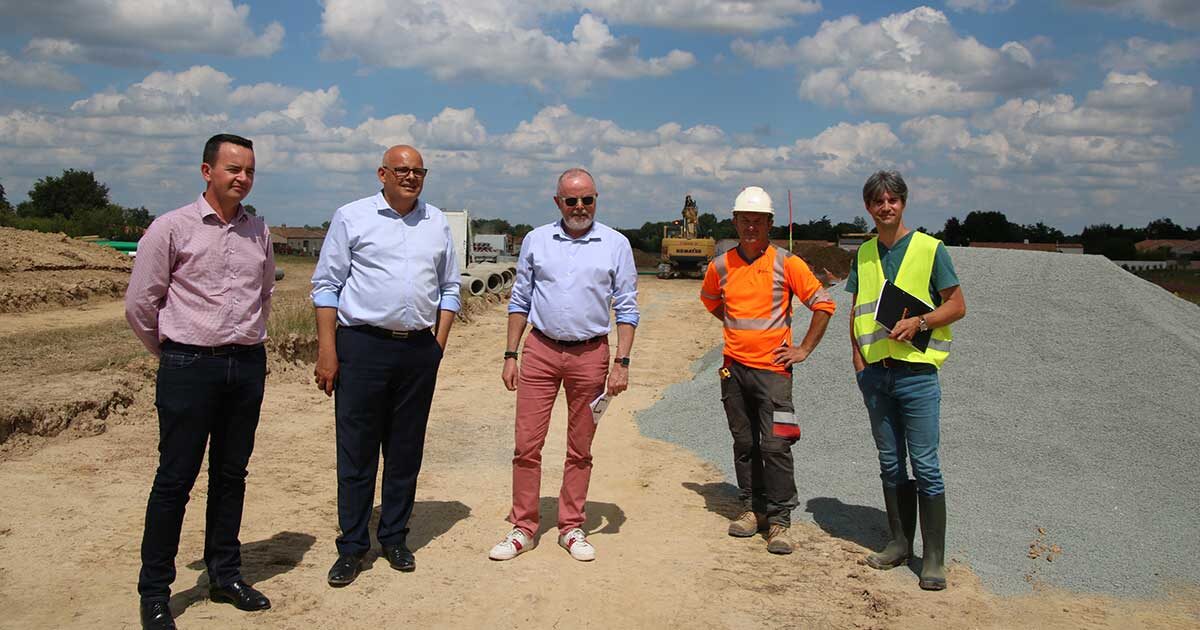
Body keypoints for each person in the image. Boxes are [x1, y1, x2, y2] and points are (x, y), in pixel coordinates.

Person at [125, 133, 274, 630]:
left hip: (246, 365)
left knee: (232, 476)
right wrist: (173, 352)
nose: (243, 178)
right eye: (233, 168)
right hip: (189, 366)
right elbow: (141, 305)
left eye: (250, 170)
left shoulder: (260, 232)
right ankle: (155, 592)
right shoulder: (171, 228)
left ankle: (225, 575)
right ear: (207, 171)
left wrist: (248, 345)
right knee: (174, 480)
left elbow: (263, 296)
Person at [311, 145, 460, 587]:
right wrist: (327, 349)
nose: (411, 177)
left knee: (404, 451)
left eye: (418, 171)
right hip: (362, 346)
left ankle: (394, 536)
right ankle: (353, 546)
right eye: (402, 170)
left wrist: (438, 345)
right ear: (382, 173)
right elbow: (326, 284)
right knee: (356, 451)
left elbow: (451, 286)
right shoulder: (352, 217)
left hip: (417, 350)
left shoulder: (436, 223)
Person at [488, 168, 638, 563]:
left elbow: (627, 306)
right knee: (526, 445)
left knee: (580, 447)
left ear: (596, 200)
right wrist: (510, 355)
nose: (579, 207)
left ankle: (571, 527)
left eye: (587, 199)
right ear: (558, 202)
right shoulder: (537, 241)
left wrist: (621, 361)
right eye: (571, 200)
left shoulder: (615, 244)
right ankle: (523, 527)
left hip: (591, 356)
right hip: (540, 351)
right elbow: (519, 299)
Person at [699, 186, 835, 554]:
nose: (751, 227)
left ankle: (779, 519)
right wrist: (737, 329)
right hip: (734, 370)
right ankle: (751, 509)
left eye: (758, 221)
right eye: (745, 220)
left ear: (770, 223)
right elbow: (712, 301)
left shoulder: (787, 263)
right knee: (744, 443)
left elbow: (823, 303)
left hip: (775, 375)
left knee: (775, 446)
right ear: (735, 221)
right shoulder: (721, 265)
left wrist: (803, 348)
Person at [848, 170, 966, 590]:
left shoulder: (931, 250)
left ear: (903, 203)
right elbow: (857, 309)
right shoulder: (862, 254)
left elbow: (957, 305)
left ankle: (933, 559)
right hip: (876, 375)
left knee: (926, 466)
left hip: (917, 377)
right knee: (891, 463)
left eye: (892, 200)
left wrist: (920, 321)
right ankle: (899, 542)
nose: (885, 207)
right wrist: (859, 365)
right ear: (868, 207)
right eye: (878, 201)